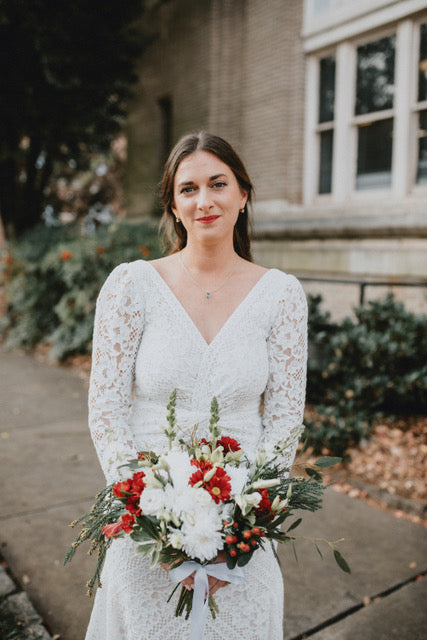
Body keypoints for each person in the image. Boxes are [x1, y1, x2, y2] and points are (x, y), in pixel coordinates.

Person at [85, 131, 307, 640]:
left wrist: (240, 530)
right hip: (143, 528)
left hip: (243, 528)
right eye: (188, 189)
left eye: (218, 184)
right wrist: (148, 521)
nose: (204, 201)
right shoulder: (131, 286)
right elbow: (106, 411)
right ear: (173, 204)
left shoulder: (281, 296)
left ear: (243, 194)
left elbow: (283, 422)